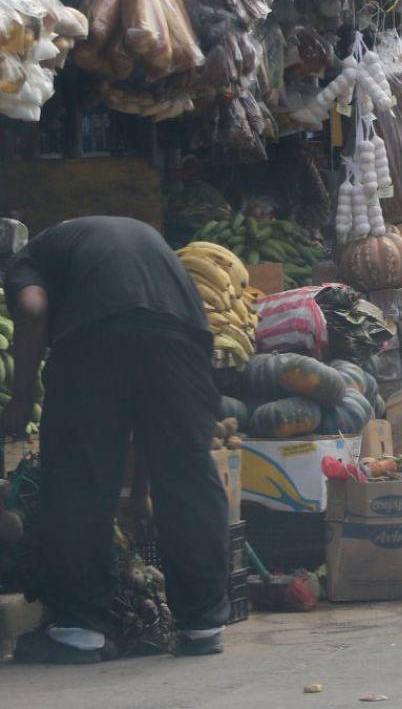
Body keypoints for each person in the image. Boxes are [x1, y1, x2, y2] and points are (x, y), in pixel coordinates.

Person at [0, 216, 229, 663]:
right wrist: (141, 489)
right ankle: (203, 623)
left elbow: (31, 309)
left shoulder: (28, 258)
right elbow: (146, 413)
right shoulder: (117, 235)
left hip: (94, 338)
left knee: (78, 480)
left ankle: (79, 630)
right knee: (188, 474)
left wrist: (22, 399)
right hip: (181, 337)